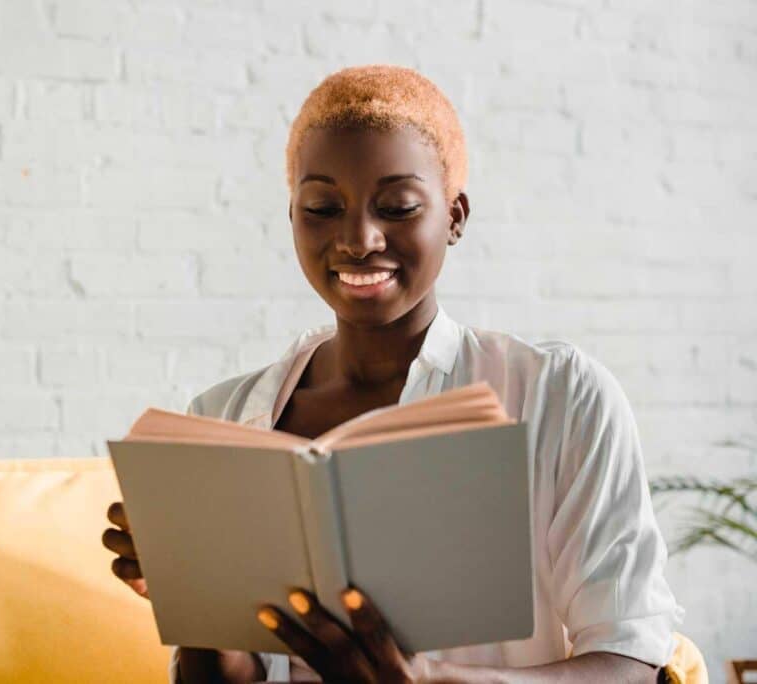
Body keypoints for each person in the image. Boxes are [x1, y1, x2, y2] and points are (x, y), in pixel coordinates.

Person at [102, 64, 685, 683]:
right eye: (323, 206)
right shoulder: (220, 419)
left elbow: (632, 666)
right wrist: (195, 603)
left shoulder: (559, 396)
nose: (358, 239)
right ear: (293, 215)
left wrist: (430, 681)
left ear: (455, 216)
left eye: (399, 207)